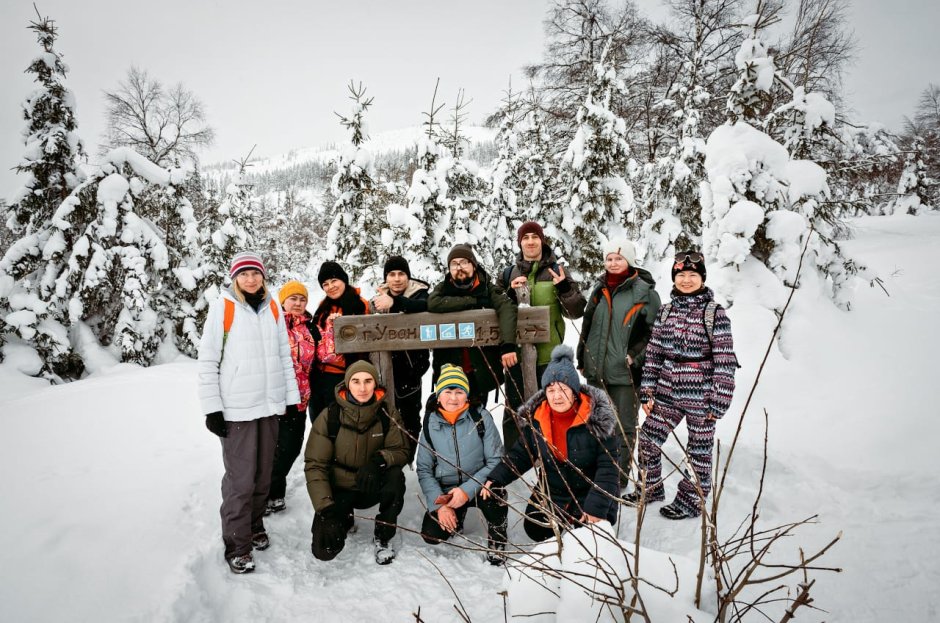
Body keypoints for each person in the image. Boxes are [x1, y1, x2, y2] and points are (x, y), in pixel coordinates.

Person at [197, 251, 300, 574]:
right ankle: (237, 545)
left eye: (255, 273)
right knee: (241, 480)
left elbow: (284, 355)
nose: (251, 279)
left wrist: (290, 398)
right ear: (235, 278)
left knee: (262, 475)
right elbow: (208, 360)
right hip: (237, 409)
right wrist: (213, 408)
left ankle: (255, 526)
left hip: (268, 406)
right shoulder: (223, 308)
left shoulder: (271, 306)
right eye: (244, 274)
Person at [633, 252, 738, 520]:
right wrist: (647, 389)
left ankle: (691, 501)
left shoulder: (714, 313)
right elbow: (654, 352)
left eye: (693, 275)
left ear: (702, 278)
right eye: (681, 275)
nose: (687, 280)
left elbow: (725, 360)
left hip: (702, 397)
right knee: (647, 440)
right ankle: (651, 488)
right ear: (674, 279)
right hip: (667, 392)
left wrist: (720, 399)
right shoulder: (666, 311)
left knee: (699, 452)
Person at [483, 345, 620, 542]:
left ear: (574, 391)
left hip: (589, 490)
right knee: (535, 529)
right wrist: (496, 478)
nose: (557, 396)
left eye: (563, 389)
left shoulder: (597, 419)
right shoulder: (538, 417)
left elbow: (609, 468)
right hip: (554, 489)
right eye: (551, 389)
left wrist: (595, 507)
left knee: (589, 538)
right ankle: (563, 516)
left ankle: (583, 518)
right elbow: (520, 455)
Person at [304, 360, 409, 564]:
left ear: (375, 384)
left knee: (396, 477)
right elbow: (315, 465)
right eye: (356, 381)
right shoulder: (330, 416)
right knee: (324, 550)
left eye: (368, 381)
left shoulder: (387, 413)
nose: (362, 388)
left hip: (371, 483)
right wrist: (326, 509)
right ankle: (344, 519)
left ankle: (383, 537)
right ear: (347, 384)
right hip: (340, 489)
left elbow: (401, 450)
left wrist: (379, 461)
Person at [577, 238, 661, 491]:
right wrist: (582, 357)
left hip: (626, 373)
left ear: (629, 260)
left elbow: (655, 334)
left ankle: (617, 476)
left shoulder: (645, 292)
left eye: (619, 258)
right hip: (596, 371)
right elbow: (588, 325)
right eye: (609, 259)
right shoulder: (599, 289)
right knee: (597, 424)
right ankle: (597, 473)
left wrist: (634, 356)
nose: (613, 263)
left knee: (623, 427)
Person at [498, 221, 586, 448]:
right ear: (520, 243)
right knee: (514, 408)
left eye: (534, 237)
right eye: (525, 238)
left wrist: (564, 287)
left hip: (549, 355)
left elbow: (576, 312)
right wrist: (509, 291)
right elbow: (496, 308)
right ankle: (515, 459)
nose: (530, 242)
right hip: (516, 354)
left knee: (551, 407)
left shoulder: (557, 270)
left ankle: (551, 456)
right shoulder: (509, 273)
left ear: (542, 240)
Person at [416, 365, 508, 565]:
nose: (453, 398)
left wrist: (466, 491)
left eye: (459, 392)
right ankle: (457, 516)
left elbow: (496, 460)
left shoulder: (480, 418)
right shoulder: (430, 425)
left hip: (480, 483)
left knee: (495, 492)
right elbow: (424, 469)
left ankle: (498, 536)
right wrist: (439, 506)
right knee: (431, 534)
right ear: (438, 396)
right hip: (447, 488)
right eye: (447, 391)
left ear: (466, 395)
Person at [427, 244, 519, 406]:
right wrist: (472, 301)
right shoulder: (445, 286)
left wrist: (508, 346)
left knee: (477, 418)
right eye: (454, 264)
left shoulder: (486, 287)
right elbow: (433, 303)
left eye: (464, 262)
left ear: (473, 265)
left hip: (480, 368)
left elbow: (507, 307)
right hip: (450, 368)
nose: (459, 268)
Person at [372, 256, 431, 460]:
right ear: (386, 278)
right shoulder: (378, 299)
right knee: (385, 419)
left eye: (401, 274)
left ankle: (407, 460)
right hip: (385, 372)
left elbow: (423, 308)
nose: (397, 279)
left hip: (411, 371)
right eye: (391, 274)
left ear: (408, 276)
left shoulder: (420, 294)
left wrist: (395, 302)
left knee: (411, 419)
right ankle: (389, 459)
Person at [266, 280, 316, 515]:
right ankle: (269, 494)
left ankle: (274, 489)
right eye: (293, 298)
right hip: (274, 398)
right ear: (283, 300)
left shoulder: (310, 328)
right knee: (270, 449)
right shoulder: (272, 324)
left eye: (302, 299)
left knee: (291, 448)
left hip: (300, 400)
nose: (297, 303)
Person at [309, 261, 370, 423]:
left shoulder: (359, 304)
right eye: (325, 284)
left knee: (339, 422)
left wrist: (343, 325)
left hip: (343, 374)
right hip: (319, 374)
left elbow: (367, 337)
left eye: (334, 281)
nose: (330, 286)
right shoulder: (323, 306)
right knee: (319, 422)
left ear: (344, 280)